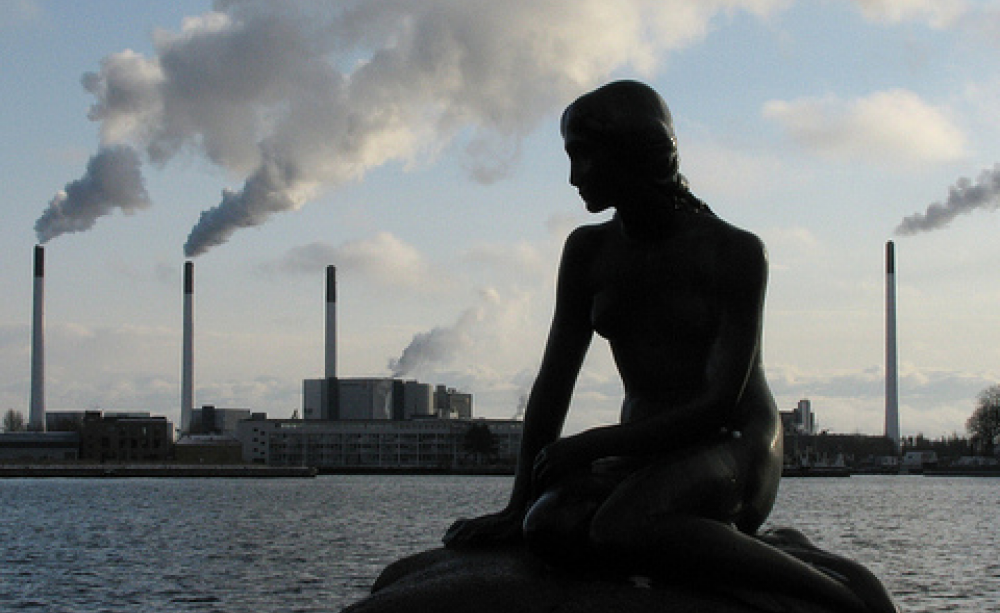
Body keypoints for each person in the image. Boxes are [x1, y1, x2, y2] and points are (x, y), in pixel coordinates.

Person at [442, 81, 895, 613]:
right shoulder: (588, 251)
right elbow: (554, 378)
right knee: (549, 526)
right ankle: (742, 551)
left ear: (634, 151)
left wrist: (587, 446)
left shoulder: (734, 251)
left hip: (733, 444)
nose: (573, 177)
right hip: (644, 453)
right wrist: (515, 508)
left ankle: (837, 594)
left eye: (584, 156)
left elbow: (717, 404)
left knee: (622, 527)